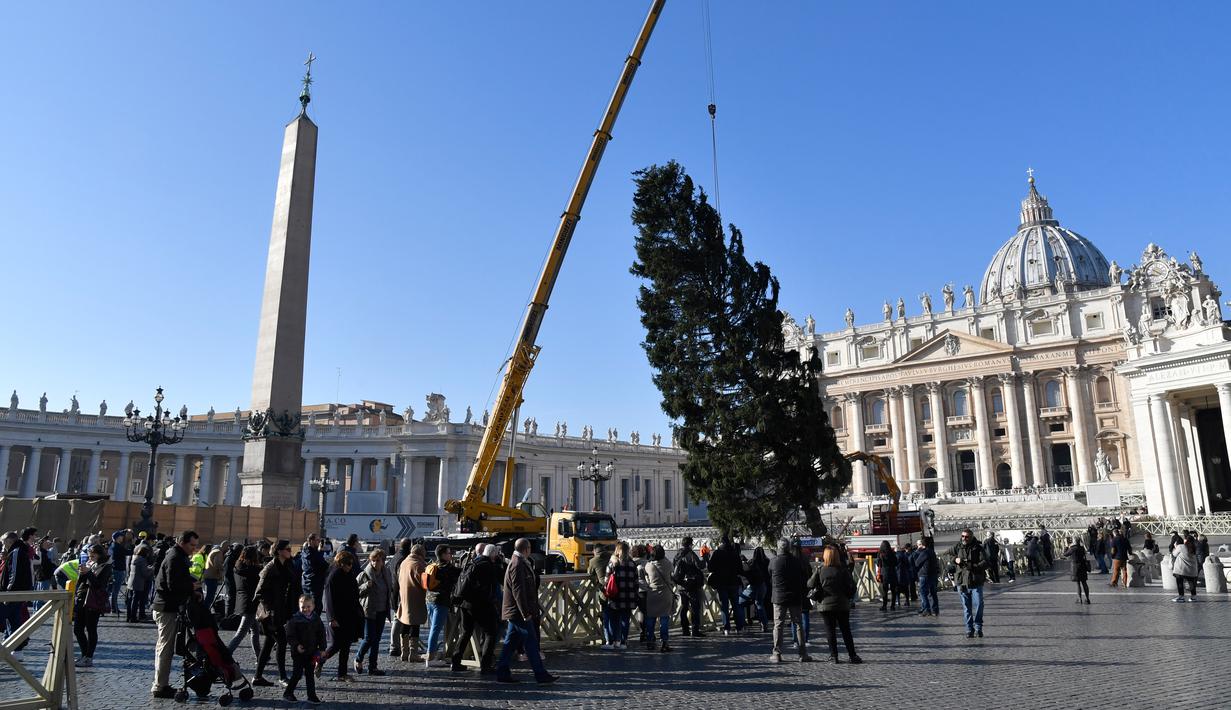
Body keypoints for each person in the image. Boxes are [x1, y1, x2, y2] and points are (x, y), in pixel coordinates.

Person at [495, 538, 557, 683]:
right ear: (527, 549)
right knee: (531, 643)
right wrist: (525, 613)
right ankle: (540, 675)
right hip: (519, 612)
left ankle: (502, 672)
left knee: (510, 643)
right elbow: (518, 591)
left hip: (515, 611)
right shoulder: (517, 564)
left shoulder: (518, 562)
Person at [150, 530, 200, 699]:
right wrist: (191, 587)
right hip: (166, 608)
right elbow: (173, 584)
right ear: (182, 543)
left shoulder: (176, 555)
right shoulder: (175, 558)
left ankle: (160, 683)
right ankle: (160, 686)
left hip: (166, 606)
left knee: (163, 647)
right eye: (192, 545)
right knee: (165, 648)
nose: (194, 549)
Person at [253, 540, 298, 687]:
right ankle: (283, 676)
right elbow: (259, 592)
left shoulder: (288, 565)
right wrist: (270, 609)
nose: (290, 551)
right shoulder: (270, 567)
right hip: (270, 614)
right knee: (282, 642)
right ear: (279, 551)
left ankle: (257, 677)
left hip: (282, 611)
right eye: (287, 549)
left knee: (268, 644)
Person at [450, 544, 501, 674]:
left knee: (466, 632)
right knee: (491, 632)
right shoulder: (488, 566)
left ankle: (455, 661)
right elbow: (497, 581)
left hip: (465, 604)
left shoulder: (472, 562)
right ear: (493, 555)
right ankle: (485, 665)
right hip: (481, 604)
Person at [808, 545, 862, 664]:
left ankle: (834, 656)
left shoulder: (821, 569)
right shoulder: (843, 570)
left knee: (830, 631)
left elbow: (810, 584)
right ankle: (852, 655)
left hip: (825, 605)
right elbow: (853, 587)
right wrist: (847, 596)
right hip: (842, 604)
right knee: (846, 630)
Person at [318, 550, 363, 682]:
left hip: (348, 615)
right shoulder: (334, 575)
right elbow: (329, 598)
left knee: (346, 645)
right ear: (341, 563)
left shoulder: (348, 574)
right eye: (348, 563)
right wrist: (332, 618)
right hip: (338, 616)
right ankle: (321, 660)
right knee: (337, 644)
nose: (350, 566)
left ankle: (342, 673)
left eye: (351, 564)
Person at [768, 538, 813, 663]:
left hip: (778, 596)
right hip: (794, 596)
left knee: (778, 625)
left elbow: (770, 576)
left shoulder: (773, 562)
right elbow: (803, 576)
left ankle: (776, 653)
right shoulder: (796, 562)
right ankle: (803, 653)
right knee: (798, 624)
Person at [354, 547, 395, 675]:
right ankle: (358, 658)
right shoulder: (364, 574)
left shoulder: (386, 573)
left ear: (383, 561)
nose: (375, 563)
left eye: (378, 560)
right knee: (369, 638)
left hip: (382, 610)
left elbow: (390, 589)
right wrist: (366, 586)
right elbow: (355, 591)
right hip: (369, 611)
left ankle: (373, 667)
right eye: (373, 560)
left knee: (376, 639)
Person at [73, 543, 113, 667]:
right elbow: (82, 581)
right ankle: (84, 654)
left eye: (93, 556)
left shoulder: (106, 567)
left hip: (94, 600)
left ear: (100, 555)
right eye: (89, 556)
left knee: (91, 628)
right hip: (82, 597)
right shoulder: (90, 563)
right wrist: (82, 573)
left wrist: (89, 573)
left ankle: (89, 657)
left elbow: (99, 585)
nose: (91, 558)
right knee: (78, 629)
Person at [422, 544, 461, 668]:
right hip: (441, 602)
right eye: (449, 553)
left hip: (429, 600)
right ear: (443, 554)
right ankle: (431, 657)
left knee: (433, 628)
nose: (451, 555)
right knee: (436, 629)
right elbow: (461, 574)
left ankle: (431, 654)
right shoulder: (447, 568)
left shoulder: (432, 565)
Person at [283, 594, 325, 704]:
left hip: (311, 651)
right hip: (298, 653)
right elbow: (290, 635)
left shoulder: (316, 618)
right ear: (299, 607)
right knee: (297, 674)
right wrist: (296, 645)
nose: (306, 609)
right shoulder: (294, 620)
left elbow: (321, 634)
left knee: (310, 674)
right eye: (303, 607)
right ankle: (288, 693)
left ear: (313, 606)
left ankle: (311, 696)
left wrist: (322, 648)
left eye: (308, 606)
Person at [227, 546, 263, 657]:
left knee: (255, 630)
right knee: (241, 633)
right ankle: (226, 653)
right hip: (250, 604)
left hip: (242, 601)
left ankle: (259, 655)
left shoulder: (238, 567)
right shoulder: (253, 570)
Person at [950, 529, 987, 639]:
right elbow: (946, 555)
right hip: (962, 582)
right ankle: (969, 629)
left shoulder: (978, 547)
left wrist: (973, 566)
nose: (964, 538)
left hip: (976, 581)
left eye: (966, 537)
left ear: (971, 537)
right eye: (962, 536)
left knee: (979, 604)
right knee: (967, 608)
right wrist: (954, 559)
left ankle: (978, 627)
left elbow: (986, 562)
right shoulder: (957, 546)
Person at [603, 541, 639, 650]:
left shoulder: (613, 564)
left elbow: (606, 581)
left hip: (615, 596)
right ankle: (623, 642)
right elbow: (636, 582)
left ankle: (613, 642)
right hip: (629, 596)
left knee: (613, 619)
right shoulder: (633, 564)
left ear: (617, 550)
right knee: (625, 620)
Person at [396, 543, 428, 662]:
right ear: (421, 553)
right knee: (415, 625)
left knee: (404, 624)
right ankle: (413, 653)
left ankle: (404, 652)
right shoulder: (418, 564)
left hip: (404, 597)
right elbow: (425, 584)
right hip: (415, 598)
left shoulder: (404, 562)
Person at [707, 536, 745, 635]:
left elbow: (710, 567)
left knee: (724, 605)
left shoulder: (717, 553)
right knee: (736, 605)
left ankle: (726, 628)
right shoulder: (734, 553)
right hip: (733, 582)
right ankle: (739, 627)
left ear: (721, 542)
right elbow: (740, 569)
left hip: (721, 582)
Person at [642, 544, 674, 652]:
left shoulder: (649, 565)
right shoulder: (668, 564)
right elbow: (671, 574)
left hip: (652, 594)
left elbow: (645, 577)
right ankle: (664, 642)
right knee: (664, 619)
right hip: (665, 595)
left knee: (650, 619)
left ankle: (650, 641)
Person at [672, 537, 706, 637]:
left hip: (681, 585)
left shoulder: (677, 555)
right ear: (691, 544)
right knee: (695, 607)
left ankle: (685, 629)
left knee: (684, 607)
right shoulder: (690, 554)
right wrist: (705, 557)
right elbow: (700, 566)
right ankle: (695, 630)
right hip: (691, 584)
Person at [387, 538, 412, 660]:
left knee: (397, 619)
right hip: (399, 592)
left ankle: (395, 645)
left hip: (394, 591)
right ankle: (394, 646)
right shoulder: (403, 559)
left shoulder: (396, 556)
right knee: (397, 619)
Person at [587, 543, 614, 646]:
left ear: (595, 551)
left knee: (606, 614)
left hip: (605, 591)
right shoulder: (611, 557)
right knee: (615, 615)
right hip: (616, 589)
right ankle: (618, 638)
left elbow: (590, 573)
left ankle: (607, 639)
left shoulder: (593, 561)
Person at [911, 538, 940, 617]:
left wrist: (917, 552)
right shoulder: (932, 551)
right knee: (933, 593)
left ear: (923, 544)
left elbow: (917, 563)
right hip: (933, 574)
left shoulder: (924, 552)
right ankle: (935, 610)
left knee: (923, 593)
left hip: (924, 575)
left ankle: (927, 609)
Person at [126, 544, 154, 623]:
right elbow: (144, 573)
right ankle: (133, 617)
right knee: (135, 601)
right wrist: (151, 569)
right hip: (138, 583)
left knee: (130, 600)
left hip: (131, 581)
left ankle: (129, 616)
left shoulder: (134, 558)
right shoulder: (142, 560)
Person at [746, 546, 771, 632]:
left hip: (754, 584)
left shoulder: (752, 562)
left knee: (756, 603)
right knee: (761, 603)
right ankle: (764, 621)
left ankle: (758, 620)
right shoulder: (767, 561)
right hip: (765, 584)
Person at [301, 534, 328, 609]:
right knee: (315, 606)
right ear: (311, 541)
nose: (319, 542)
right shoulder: (312, 553)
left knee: (308, 606)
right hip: (314, 583)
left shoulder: (305, 551)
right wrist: (321, 552)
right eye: (317, 540)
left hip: (307, 582)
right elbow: (322, 565)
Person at [1171, 535, 1199, 602]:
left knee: (1180, 582)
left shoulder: (1181, 546)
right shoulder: (1194, 548)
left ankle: (1181, 597)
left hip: (1181, 569)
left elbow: (1174, 554)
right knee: (1191, 583)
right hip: (1192, 570)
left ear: (1186, 540)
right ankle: (1193, 597)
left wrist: (1175, 547)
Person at [107, 531, 130, 616]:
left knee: (113, 590)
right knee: (115, 590)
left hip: (115, 569)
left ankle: (113, 607)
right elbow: (129, 552)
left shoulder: (112, 546)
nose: (122, 538)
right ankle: (114, 608)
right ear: (117, 537)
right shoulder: (117, 546)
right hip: (118, 570)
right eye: (121, 536)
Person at [1064, 538, 1092, 604]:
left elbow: (1065, 554)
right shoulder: (1082, 548)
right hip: (1083, 566)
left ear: (1074, 541)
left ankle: (1080, 599)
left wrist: (1066, 546)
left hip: (1075, 567)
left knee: (1078, 583)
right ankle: (1087, 599)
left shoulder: (1072, 548)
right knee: (1084, 583)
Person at [875, 540, 897, 611]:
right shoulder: (892, 553)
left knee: (885, 590)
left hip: (884, 573)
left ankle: (884, 606)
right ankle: (892, 606)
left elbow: (878, 564)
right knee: (893, 590)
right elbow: (896, 563)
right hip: (892, 572)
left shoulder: (880, 554)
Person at [222, 542, 243, 617]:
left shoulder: (230, 556)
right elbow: (229, 571)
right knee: (231, 598)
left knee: (232, 598)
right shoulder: (231, 558)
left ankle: (230, 615)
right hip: (231, 580)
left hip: (230, 579)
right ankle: (229, 616)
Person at [203, 540, 225, 608]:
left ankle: (205, 610)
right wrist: (223, 568)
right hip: (212, 577)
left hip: (208, 576)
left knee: (208, 595)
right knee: (210, 596)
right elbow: (217, 564)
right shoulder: (218, 552)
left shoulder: (213, 551)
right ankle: (205, 611)